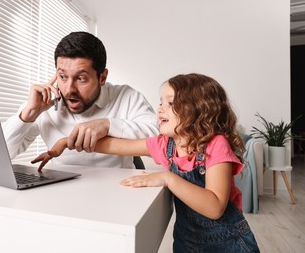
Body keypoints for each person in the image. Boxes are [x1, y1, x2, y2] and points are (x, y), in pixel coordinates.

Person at [33, 73, 260, 252]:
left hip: (227, 243)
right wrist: (64, 141)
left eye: (170, 103)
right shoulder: (164, 145)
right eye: (160, 102)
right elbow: (113, 145)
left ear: (199, 110)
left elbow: (214, 207)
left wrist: (167, 178)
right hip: (186, 241)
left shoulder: (215, 145)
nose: (160, 109)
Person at [2, 31, 158, 168]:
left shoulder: (127, 97)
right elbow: (0, 154)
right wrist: (27, 115)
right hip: (63, 193)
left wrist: (108, 125)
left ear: (102, 77)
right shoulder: (43, 105)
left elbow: (164, 141)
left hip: (118, 191)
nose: (69, 89)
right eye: (62, 77)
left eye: (81, 78)